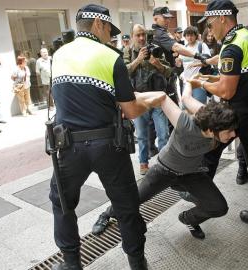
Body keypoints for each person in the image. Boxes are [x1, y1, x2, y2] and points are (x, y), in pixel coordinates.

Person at [49, 4, 166, 270]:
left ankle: (71, 263)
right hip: (108, 145)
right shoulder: (110, 56)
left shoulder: (58, 55)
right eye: (108, 30)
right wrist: (150, 101)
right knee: (126, 207)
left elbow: (62, 99)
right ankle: (137, 263)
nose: (110, 36)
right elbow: (131, 110)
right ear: (99, 25)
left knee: (63, 204)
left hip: (68, 146)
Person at [92, 81, 238, 239]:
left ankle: (188, 219)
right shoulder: (185, 124)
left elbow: (187, 96)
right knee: (132, 199)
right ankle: (106, 215)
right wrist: (132, 98)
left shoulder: (212, 119)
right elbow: (162, 98)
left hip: (192, 173)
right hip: (164, 170)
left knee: (219, 207)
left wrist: (194, 82)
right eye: (229, 131)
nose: (233, 135)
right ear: (211, 129)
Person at [189, 0, 248, 231]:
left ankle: (203, 197)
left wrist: (200, 83)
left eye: (209, 23)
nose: (209, 29)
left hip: (236, 113)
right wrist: (211, 80)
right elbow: (239, 77)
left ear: (221, 18)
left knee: (210, 152)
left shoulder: (231, 47)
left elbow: (228, 90)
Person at [123, 24, 171, 175]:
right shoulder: (128, 51)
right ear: (132, 37)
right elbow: (123, 73)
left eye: (143, 34)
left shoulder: (155, 49)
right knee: (142, 136)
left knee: (163, 134)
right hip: (139, 99)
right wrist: (138, 59)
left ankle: (163, 165)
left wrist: (157, 64)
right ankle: (143, 163)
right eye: (138, 35)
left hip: (157, 98)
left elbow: (169, 71)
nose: (142, 38)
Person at [180, 26, 211, 104]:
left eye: (191, 35)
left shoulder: (201, 46)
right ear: (185, 37)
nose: (189, 37)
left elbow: (209, 61)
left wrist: (196, 64)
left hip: (198, 82)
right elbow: (180, 64)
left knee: (199, 106)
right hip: (186, 82)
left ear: (195, 36)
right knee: (187, 106)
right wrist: (178, 62)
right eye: (187, 35)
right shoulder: (184, 48)